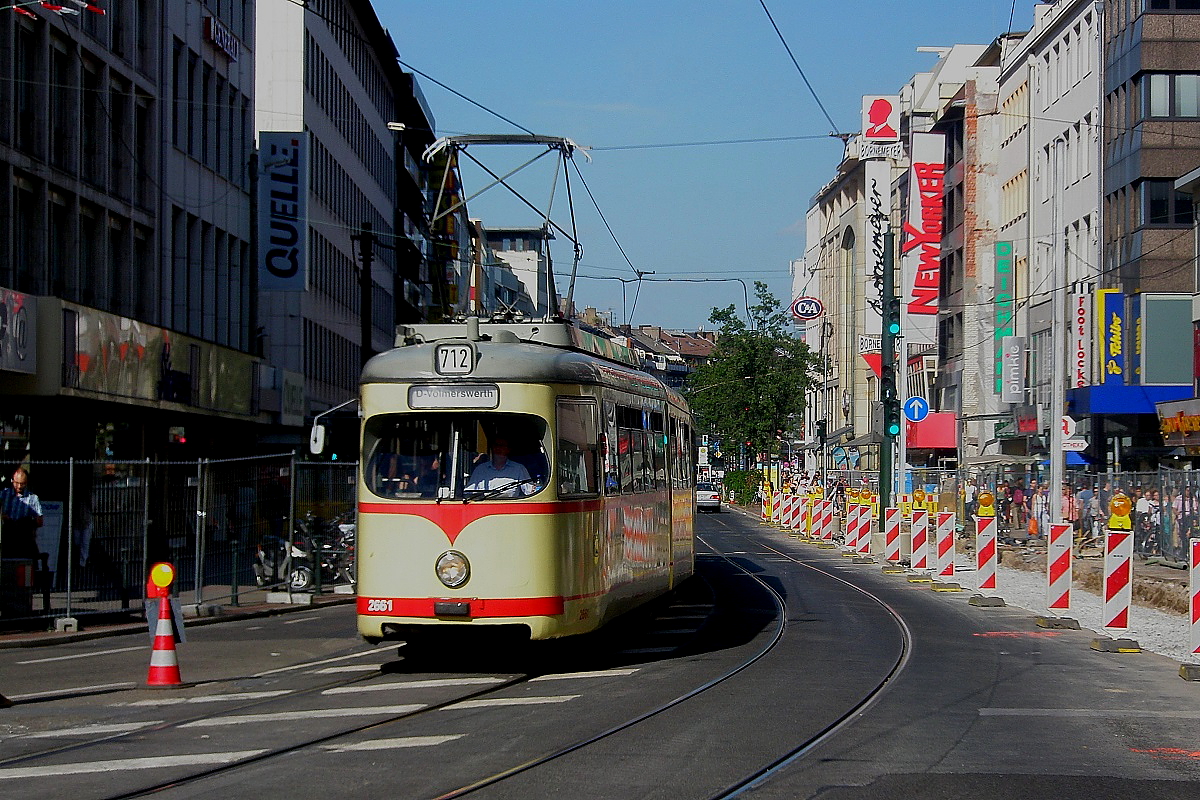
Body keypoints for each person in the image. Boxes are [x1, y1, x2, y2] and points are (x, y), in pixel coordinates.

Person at [466, 436, 535, 498]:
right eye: (496, 445)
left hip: (509, 508)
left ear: (508, 449)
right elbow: (468, 493)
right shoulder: (480, 469)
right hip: (484, 507)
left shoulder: (518, 469)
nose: (498, 448)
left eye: (502, 446)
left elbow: (530, 492)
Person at [1, 467, 43, 560]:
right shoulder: (3, 494)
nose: (19, 487)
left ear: (27, 482)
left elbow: (40, 521)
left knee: (24, 565)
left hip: (24, 538)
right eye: (17, 483)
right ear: (12, 481)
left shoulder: (32, 498)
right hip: (7, 537)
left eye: (22, 484)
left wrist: (28, 522)